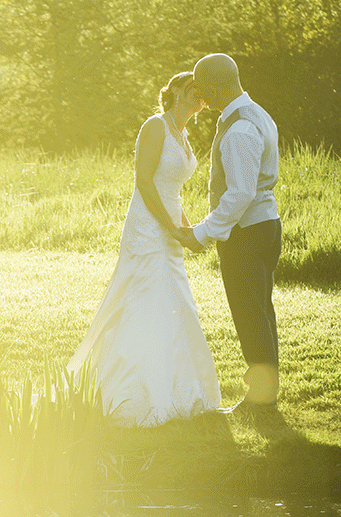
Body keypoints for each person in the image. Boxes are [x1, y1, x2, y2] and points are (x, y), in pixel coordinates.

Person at [67, 72, 221, 426]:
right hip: (147, 226)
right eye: (193, 90)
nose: (200, 96)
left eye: (203, 92)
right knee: (145, 298)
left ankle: (175, 387)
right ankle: (131, 393)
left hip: (169, 223)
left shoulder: (183, 135)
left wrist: (187, 230)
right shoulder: (155, 127)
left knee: (173, 300)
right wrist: (169, 227)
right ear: (177, 93)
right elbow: (145, 181)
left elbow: (173, 191)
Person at [175, 54, 282, 414]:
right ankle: (266, 393)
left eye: (204, 91)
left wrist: (203, 233)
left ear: (216, 88)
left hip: (247, 233)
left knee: (250, 314)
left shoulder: (239, 129)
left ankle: (260, 399)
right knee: (260, 310)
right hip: (265, 226)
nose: (202, 98)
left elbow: (239, 194)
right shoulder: (257, 113)